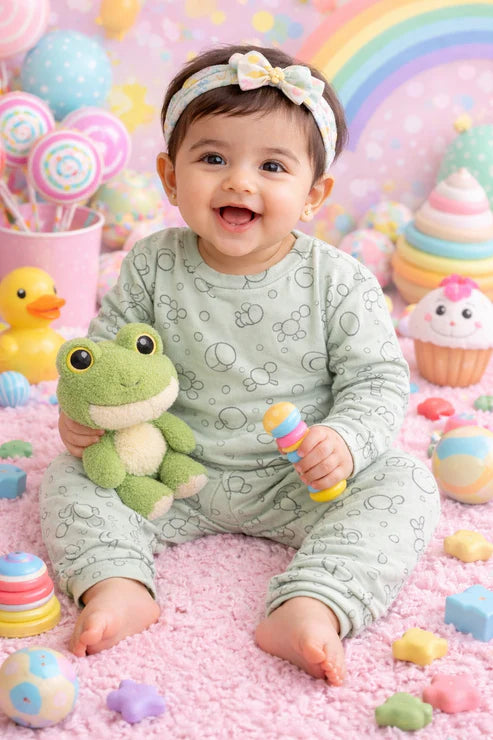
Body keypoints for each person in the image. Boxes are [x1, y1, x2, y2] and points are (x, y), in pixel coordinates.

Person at [40, 45, 440, 685]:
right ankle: (115, 584)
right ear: (171, 177)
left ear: (313, 195)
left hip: (299, 481)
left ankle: (314, 602)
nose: (239, 182)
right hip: (169, 469)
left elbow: (379, 379)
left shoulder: (337, 280)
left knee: (406, 484)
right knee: (68, 475)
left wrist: (344, 440)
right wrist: (84, 416)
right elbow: (104, 361)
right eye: (213, 158)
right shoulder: (151, 263)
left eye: (272, 166)